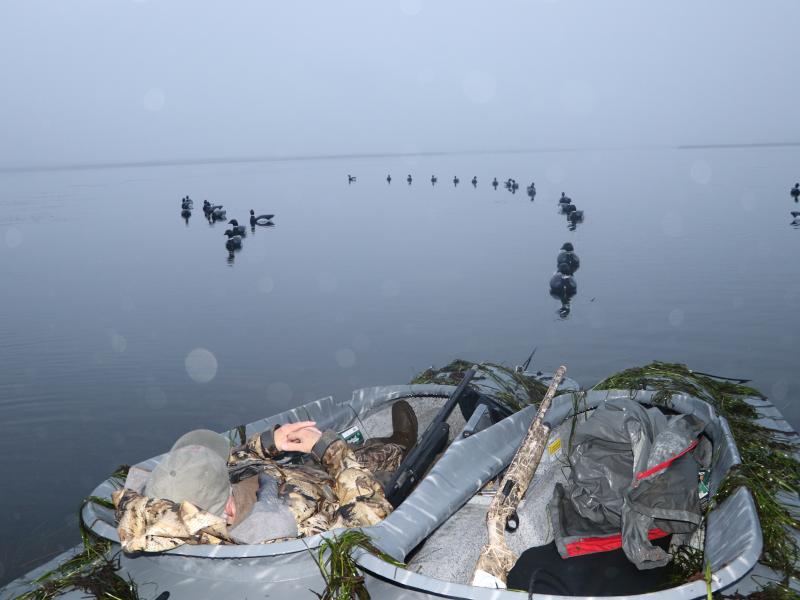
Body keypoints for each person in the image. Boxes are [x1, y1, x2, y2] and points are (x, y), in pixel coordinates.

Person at [113, 402, 417, 552]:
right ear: (229, 509)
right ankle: (401, 445)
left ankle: (357, 451)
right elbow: (368, 512)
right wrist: (331, 451)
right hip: (338, 491)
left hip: (293, 476)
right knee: (372, 460)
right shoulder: (278, 532)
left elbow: (230, 463)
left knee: (331, 453)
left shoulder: (165, 506)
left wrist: (271, 443)